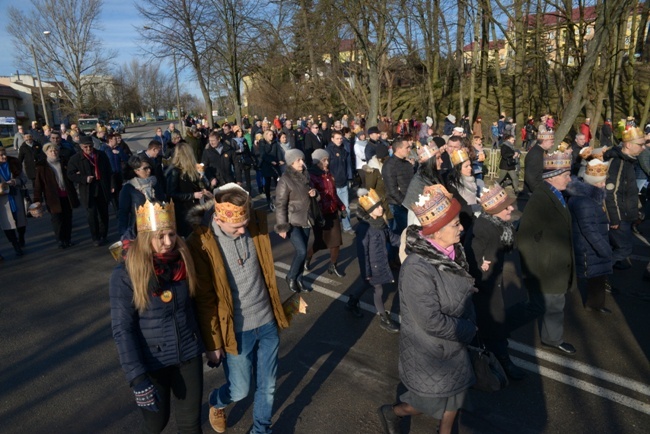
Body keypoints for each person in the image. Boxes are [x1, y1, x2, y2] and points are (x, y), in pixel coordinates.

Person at [185, 184, 289, 434]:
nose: (244, 230)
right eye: (237, 227)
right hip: (236, 331)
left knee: (268, 385)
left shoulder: (254, 224)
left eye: (246, 223)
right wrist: (212, 343)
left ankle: (261, 430)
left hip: (266, 322)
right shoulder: (201, 244)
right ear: (219, 218)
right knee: (240, 390)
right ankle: (217, 401)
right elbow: (205, 299)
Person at [379, 185, 477, 434]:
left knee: (455, 396)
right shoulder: (417, 268)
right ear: (436, 232)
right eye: (455, 224)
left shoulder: (452, 251)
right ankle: (393, 412)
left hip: (453, 343)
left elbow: (457, 288)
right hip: (431, 350)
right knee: (427, 402)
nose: (461, 228)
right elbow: (431, 320)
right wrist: (469, 329)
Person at [109, 200, 204, 433]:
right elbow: (123, 329)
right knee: (155, 424)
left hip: (188, 356)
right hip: (153, 362)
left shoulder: (183, 259)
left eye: (172, 235)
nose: (169, 242)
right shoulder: (126, 274)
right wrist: (137, 377)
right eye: (160, 236)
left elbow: (196, 306)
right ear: (145, 236)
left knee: (191, 425)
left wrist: (211, 343)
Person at [513, 151, 577, 355]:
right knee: (546, 304)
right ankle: (499, 324)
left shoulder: (555, 194)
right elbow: (525, 236)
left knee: (551, 303)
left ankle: (551, 337)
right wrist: (535, 267)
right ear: (553, 176)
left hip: (555, 261)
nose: (570, 178)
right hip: (547, 265)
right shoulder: (541, 198)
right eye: (566, 174)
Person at [464, 184, 525, 380]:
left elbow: (509, 245)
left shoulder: (498, 225)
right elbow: (478, 264)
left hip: (491, 285)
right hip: (484, 289)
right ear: (495, 210)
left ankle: (492, 359)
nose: (511, 209)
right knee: (491, 325)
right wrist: (486, 287)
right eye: (506, 207)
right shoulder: (484, 230)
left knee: (490, 328)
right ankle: (501, 365)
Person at [346, 188, 401, 333]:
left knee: (366, 284)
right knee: (378, 289)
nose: (382, 208)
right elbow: (362, 253)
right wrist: (366, 272)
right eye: (378, 207)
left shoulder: (381, 224)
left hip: (380, 262)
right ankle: (384, 318)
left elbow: (393, 239)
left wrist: (408, 242)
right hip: (373, 266)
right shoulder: (365, 229)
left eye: (380, 206)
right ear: (370, 211)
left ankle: (352, 302)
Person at [566, 158, 613, 313]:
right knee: (594, 275)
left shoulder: (589, 197)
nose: (604, 184)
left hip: (593, 244)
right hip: (589, 246)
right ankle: (592, 306)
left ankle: (595, 304)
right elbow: (589, 229)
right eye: (602, 182)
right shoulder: (584, 201)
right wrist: (603, 249)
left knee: (598, 276)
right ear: (595, 182)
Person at [274, 149, 317, 293]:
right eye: (299, 160)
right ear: (291, 162)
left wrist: (314, 193)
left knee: (303, 253)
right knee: (302, 250)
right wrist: (282, 226)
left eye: (302, 159)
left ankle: (299, 279)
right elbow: (280, 204)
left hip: (306, 219)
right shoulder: (285, 180)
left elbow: (311, 193)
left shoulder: (305, 175)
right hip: (292, 221)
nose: (302, 163)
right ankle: (291, 276)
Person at [604, 127, 645, 270]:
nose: (643, 147)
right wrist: (614, 218)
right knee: (624, 248)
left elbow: (629, 191)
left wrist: (637, 210)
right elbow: (610, 193)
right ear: (628, 144)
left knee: (619, 246)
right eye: (640, 144)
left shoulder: (628, 161)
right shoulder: (618, 162)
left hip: (625, 213)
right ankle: (600, 273)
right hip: (619, 216)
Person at [305, 149, 347, 277]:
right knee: (320, 242)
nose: (327, 162)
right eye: (324, 160)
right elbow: (312, 196)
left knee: (336, 241)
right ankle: (307, 257)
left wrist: (342, 207)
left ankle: (333, 265)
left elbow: (333, 194)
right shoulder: (311, 175)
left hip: (332, 211)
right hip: (320, 214)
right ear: (317, 161)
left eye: (327, 159)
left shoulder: (328, 174)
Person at [67, 136, 113, 247]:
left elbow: (109, 171)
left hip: (102, 188)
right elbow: (70, 174)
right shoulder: (75, 158)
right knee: (92, 215)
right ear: (81, 147)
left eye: (90, 146)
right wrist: (84, 179)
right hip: (88, 190)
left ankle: (103, 235)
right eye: (85, 147)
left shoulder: (101, 155)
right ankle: (95, 237)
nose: (88, 148)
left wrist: (112, 185)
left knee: (104, 214)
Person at [33, 143, 80, 249]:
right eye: (51, 151)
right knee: (57, 220)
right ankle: (60, 240)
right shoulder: (42, 166)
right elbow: (38, 184)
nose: (53, 153)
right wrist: (37, 199)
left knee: (68, 218)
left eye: (55, 151)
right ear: (46, 153)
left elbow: (71, 174)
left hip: (67, 195)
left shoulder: (64, 162)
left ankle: (68, 239)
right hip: (53, 197)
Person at [165, 142, 211, 238]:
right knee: (189, 237)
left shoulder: (191, 169)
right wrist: (192, 195)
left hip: (193, 208)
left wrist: (202, 180)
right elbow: (171, 194)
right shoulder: (174, 171)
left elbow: (201, 185)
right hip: (183, 212)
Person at [118, 155, 166, 237]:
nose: (149, 170)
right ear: (136, 171)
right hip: (139, 229)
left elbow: (164, 201)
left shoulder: (155, 183)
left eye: (149, 167)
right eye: (145, 168)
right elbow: (123, 212)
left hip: (158, 225)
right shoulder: (129, 188)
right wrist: (124, 234)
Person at [444, 148, 482, 234]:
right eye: (466, 166)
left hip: (474, 216)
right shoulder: (453, 185)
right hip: (464, 220)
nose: (470, 168)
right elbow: (459, 204)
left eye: (470, 165)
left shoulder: (471, 179)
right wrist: (476, 207)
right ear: (458, 169)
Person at [382, 138, 415, 235]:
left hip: (410, 202)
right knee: (401, 233)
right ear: (398, 149)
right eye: (407, 147)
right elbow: (392, 190)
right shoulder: (389, 165)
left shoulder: (406, 163)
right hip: (398, 205)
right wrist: (405, 203)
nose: (409, 149)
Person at [0, 147, 28, 256]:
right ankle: (15, 245)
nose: (4, 156)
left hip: (16, 195)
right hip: (3, 200)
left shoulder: (13, 163)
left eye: (4, 154)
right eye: (1, 155)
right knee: (7, 223)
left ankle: (21, 237)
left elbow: (24, 179)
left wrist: (15, 181)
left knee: (21, 221)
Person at [327, 131, 354, 234]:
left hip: (343, 182)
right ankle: (333, 229)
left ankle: (347, 226)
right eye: (337, 138)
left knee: (346, 207)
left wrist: (349, 177)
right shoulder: (328, 151)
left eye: (341, 138)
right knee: (332, 208)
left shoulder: (344, 150)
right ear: (332, 139)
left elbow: (348, 165)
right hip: (333, 184)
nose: (339, 140)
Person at [259, 130, 281, 210]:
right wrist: (270, 161)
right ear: (266, 135)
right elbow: (263, 154)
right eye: (270, 135)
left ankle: (279, 198)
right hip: (267, 165)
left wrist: (279, 160)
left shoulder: (275, 143)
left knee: (278, 182)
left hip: (275, 164)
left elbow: (278, 152)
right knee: (267, 182)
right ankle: (268, 198)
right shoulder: (262, 143)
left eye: (272, 134)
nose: (272, 136)